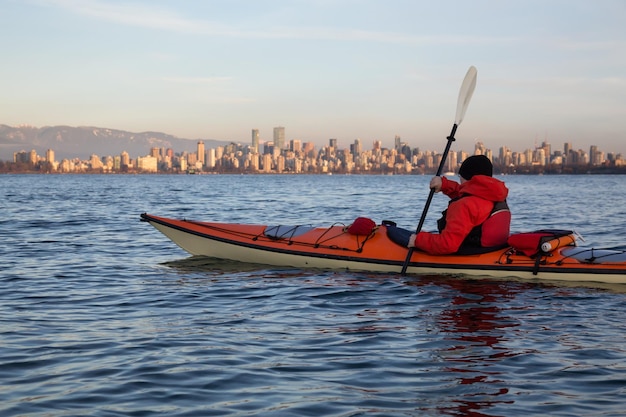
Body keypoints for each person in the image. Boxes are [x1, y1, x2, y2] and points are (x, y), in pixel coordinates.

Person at [406, 155, 510, 255]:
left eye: (460, 176)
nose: (459, 180)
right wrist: (444, 185)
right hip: (494, 251)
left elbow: (447, 244)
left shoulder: (463, 206)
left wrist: (418, 240)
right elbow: (468, 194)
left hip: (472, 253)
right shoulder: (495, 196)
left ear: (466, 177)